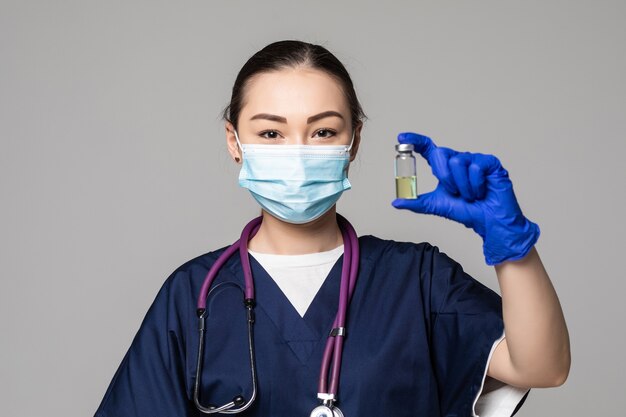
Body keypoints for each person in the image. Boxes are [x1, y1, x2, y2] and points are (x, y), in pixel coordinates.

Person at [94, 40, 570, 417]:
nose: (298, 151)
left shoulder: (416, 279)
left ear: (353, 141)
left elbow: (541, 367)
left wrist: (511, 244)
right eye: (270, 133)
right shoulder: (192, 295)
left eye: (322, 131)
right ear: (234, 142)